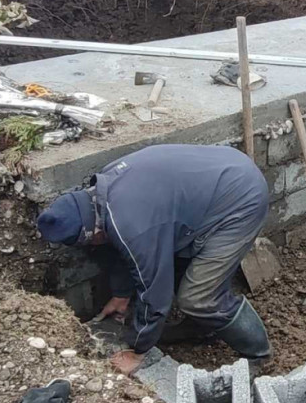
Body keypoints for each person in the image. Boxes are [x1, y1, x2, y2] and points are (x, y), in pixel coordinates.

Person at [36, 144, 271, 375]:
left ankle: (258, 353)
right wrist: (121, 294)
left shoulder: (133, 226)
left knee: (199, 297)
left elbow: (154, 292)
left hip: (240, 200)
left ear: (94, 234)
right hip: (222, 171)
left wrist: (138, 349)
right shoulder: (105, 190)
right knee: (181, 269)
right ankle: (201, 327)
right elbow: (122, 249)